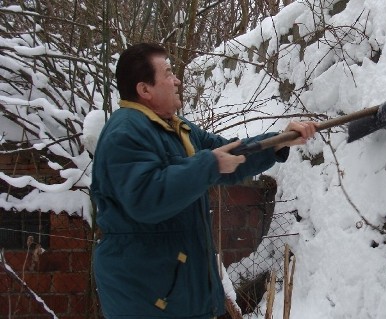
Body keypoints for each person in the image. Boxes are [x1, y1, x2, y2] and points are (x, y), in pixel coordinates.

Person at [90, 43, 316, 318]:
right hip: (147, 298)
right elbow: (146, 198)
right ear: (144, 89)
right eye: (168, 73)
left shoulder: (175, 128)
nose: (177, 80)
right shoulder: (125, 133)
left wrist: (278, 141)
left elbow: (227, 155)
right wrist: (207, 165)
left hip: (180, 293)